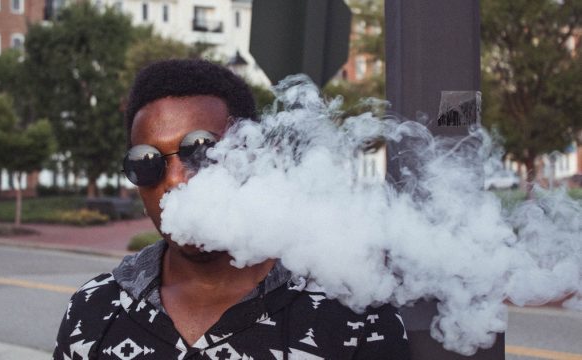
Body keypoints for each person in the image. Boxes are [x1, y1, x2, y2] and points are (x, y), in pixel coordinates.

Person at [53, 59, 410, 360]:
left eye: (200, 150)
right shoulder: (94, 309)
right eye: (147, 161)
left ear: (251, 154)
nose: (176, 181)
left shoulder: (350, 310)